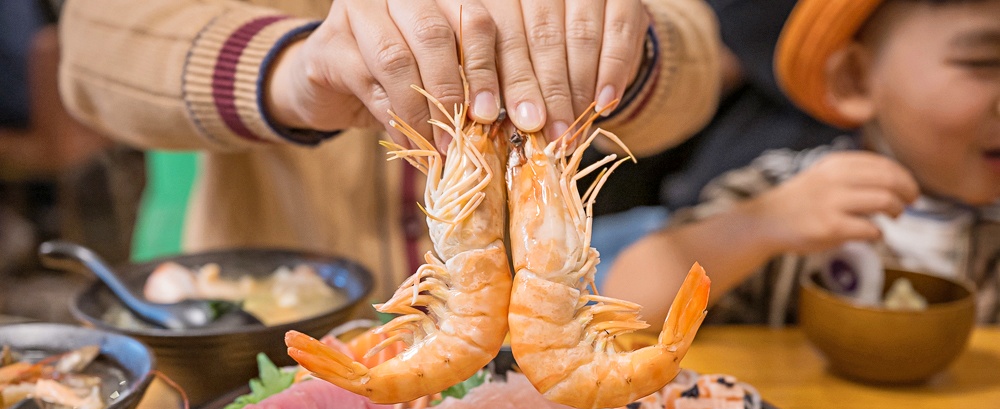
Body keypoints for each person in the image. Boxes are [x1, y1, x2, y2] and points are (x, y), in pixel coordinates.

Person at [57, 0, 721, 297]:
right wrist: (292, 67)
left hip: (522, 342)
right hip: (283, 322)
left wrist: (621, 46)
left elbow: (695, 46)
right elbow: (92, 43)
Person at [604, 0, 1000, 326]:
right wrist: (761, 224)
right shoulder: (789, 191)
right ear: (855, 79)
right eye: (983, 62)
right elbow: (626, 304)